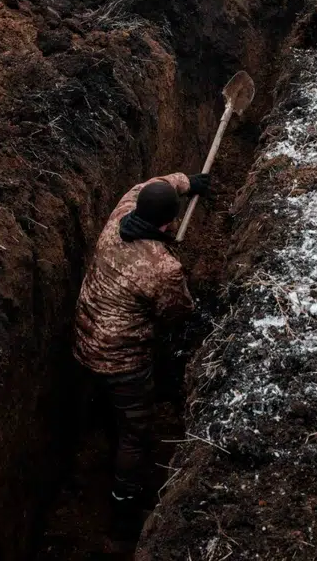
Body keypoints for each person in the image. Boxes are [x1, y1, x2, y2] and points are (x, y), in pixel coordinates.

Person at [73, 171, 211, 542]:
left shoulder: (119, 216)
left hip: (84, 338)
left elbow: (143, 186)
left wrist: (186, 182)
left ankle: (102, 429)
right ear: (169, 223)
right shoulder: (163, 269)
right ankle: (125, 505)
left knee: (106, 407)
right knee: (135, 434)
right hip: (122, 362)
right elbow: (178, 312)